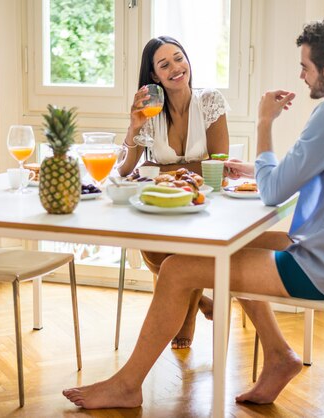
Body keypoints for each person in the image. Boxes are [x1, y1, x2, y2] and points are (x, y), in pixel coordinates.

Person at [64, 16, 324, 409]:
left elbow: (276, 190)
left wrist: (264, 122)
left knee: (177, 269)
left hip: (320, 267)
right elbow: (300, 175)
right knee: (231, 244)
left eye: (305, 67)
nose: (301, 75)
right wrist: (256, 170)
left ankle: (127, 385)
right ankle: (279, 355)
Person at [118, 36, 230, 349]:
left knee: (181, 261)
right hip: (161, 207)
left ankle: (188, 319)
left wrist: (162, 169)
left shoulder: (209, 101)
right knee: (157, 256)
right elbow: (126, 170)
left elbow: (218, 163)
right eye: (164, 64)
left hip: (203, 205)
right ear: (155, 76)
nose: (176, 68)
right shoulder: (150, 112)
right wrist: (133, 127)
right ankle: (201, 302)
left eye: (179, 58)